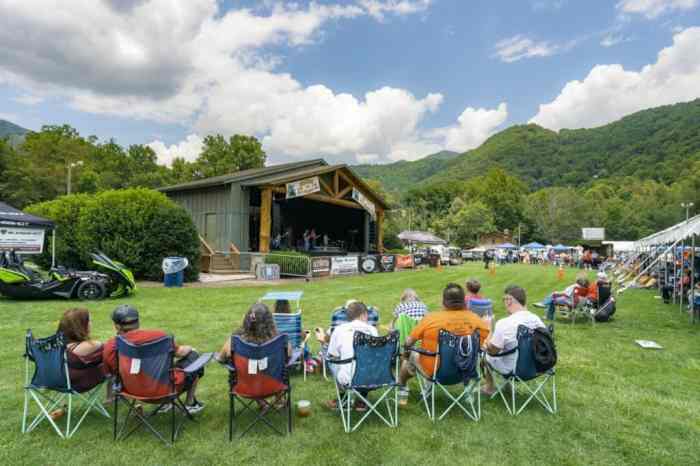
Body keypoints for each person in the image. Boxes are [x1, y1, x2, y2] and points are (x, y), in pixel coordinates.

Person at [398, 283, 490, 405]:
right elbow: (486, 345)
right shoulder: (476, 320)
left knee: (411, 353)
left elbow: (408, 343)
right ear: (464, 301)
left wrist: (405, 354)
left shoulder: (431, 319)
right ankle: (464, 393)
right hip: (466, 371)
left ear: (443, 301)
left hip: (435, 371)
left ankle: (402, 386)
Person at [103, 305, 205, 413]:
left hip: (132, 391)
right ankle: (190, 403)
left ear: (117, 326)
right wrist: (191, 348)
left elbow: (112, 373)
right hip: (166, 390)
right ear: (138, 322)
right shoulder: (159, 337)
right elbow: (181, 352)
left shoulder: (111, 346)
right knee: (194, 357)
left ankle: (167, 405)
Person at [482, 285, 545, 395]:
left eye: (504, 300)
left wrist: (489, 333)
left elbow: (492, 351)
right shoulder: (537, 320)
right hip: (538, 367)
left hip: (515, 369)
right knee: (510, 349)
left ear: (509, 300)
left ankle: (489, 388)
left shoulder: (505, 323)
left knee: (486, 356)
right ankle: (507, 386)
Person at [324, 302, 378, 411]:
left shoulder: (339, 330)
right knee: (367, 362)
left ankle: (344, 399)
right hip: (374, 378)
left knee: (332, 360)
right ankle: (361, 400)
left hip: (348, 379)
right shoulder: (372, 330)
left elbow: (333, 355)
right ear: (363, 315)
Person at [58, 308, 106, 393]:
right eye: (89, 321)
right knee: (113, 362)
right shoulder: (91, 346)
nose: (91, 324)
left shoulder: (56, 345)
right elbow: (109, 351)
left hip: (55, 381)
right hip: (77, 383)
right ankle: (111, 397)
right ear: (81, 326)